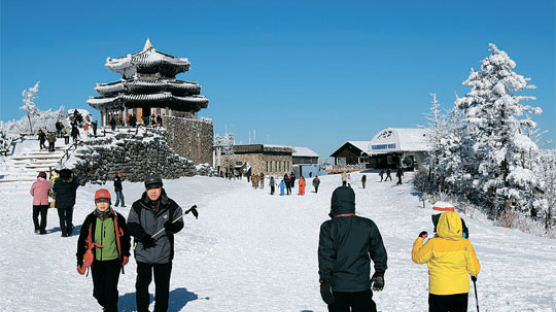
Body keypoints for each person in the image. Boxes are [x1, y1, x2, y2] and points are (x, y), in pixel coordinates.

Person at [318, 186, 388, 312]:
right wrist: (380, 272)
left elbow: (325, 256)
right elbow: (378, 251)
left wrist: (325, 280)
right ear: (352, 202)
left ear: (334, 203)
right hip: (361, 285)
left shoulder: (328, 227)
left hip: (338, 287)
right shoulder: (368, 225)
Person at [128, 174, 184, 312]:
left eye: (156, 188)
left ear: (161, 188)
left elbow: (179, 221)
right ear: (146, 189)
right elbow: (131, 225)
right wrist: (142, 236)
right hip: (143, 253)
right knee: (142, 286)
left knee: (162, 287)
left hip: (163, 254)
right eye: (150, 188)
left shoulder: (171, 206)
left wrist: (173, 227)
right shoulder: (138, 206)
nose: (153, 191)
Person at [412, 211, 480, 312]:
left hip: (439, 290)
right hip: (461, 291)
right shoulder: (466, 244)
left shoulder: (433, 243)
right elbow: (474, 270)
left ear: (441, 224)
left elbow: (417, 258)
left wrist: (419, 240)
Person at [76, 188, 131, 312]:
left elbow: (126, 238)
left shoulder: (118, 218)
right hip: (96, 261)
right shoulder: (90, 219)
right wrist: (80, 261)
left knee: (110, 290)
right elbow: (81, 241)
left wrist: (126, 254)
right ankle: (108, 305)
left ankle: (111, 308)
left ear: (109, 202)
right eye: (99, 201)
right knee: (98, 293)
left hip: (113, 261)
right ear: (95, 203)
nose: (102, 204)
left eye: (105, 201)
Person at [52, 169, 79, 237]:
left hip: (60, 203)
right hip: (70, 203)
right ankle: (69, 231)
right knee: (69, 217)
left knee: (61, 218)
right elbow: (77, 184)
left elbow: (54, 189)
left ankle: (64, 232)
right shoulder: (72, 183)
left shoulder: (58, 183)